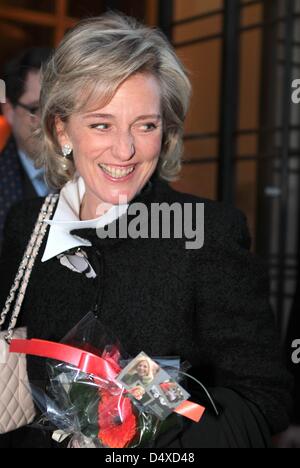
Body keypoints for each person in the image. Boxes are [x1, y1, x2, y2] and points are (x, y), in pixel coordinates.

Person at [0, 12, 292, 448]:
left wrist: (156, 444)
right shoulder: (27, 223)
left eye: (146, 125)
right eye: (102, 123)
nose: (125, 149)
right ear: (62, 129)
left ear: (166, 130)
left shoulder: (206, 231)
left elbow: (265, 399)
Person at [0, 47, 53, 248]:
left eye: (57, 107)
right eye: (36, 109)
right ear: (9, 111)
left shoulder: (90, 174)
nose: (50, 121)